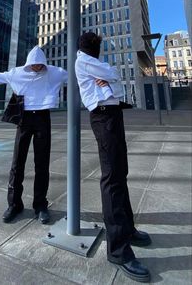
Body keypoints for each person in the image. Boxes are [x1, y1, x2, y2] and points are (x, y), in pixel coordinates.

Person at [75, 32, 151, 283]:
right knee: (112, 178)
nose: (98, 49)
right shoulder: (83, 60)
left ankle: (127, 230)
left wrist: (108, 82)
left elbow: (112, 80)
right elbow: (113, 73)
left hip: (113, 113)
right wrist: (107, 78)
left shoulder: (90, 61)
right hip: (103, 116)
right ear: (88, 48)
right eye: (96, 46)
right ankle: (118, 250)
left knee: (120, 173)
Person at [0, 46, 67, 224]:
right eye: (34, 65)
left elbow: (77, 76)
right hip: (24, 119)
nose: (37, 67)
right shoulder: (17, 73)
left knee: (42, 163)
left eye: (40, 65)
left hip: (42, 118)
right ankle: (14, 204)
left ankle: (40, 205)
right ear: (28, 64)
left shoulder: (55, 73)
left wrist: (99, 79)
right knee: (17, 163)